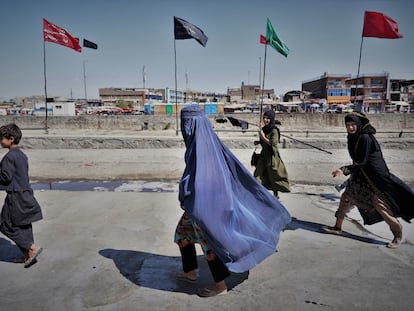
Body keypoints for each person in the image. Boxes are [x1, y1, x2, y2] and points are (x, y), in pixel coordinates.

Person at [175, 106, 291, 297]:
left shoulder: (202, 148)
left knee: (211, 243)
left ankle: (220, 285)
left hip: (206, 207)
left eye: (186, 123)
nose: (184, 128)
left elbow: (203, 181)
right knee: (182, 236)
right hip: (198, 205)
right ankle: (190, 272)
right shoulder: (202, 144)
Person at [322, 113, 414, 248]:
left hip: (375, 177)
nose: (351, 127)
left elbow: (363, 161)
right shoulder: (352, 137)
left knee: (380, 206)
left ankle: (397, 233)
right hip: (360, 174)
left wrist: (344, 169)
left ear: (359, 124)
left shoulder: (365, 137)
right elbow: (358, 162)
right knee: (346, 197)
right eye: (348, 125)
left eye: (353, 124)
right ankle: (337, 227)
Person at [0, 123, 43, 267]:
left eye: (1, 139)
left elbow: (5, 177)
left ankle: (32, 248)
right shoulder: (21, 155)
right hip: (26, 194)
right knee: (24, 225)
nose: (0, 141)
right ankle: (26, 255)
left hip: (15, 196)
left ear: (11, 139)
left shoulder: (9, 157)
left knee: (5, 225)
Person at [254, 109, 290, 198]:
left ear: (272, 119)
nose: (265, 120)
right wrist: (258, 141)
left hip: (272, 157)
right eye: (264, 118)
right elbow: (264, 142)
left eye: (268, 118)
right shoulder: (264, 129)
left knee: (273, 176)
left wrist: (262, 136)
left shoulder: (274, 131)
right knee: (257, 175)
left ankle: (275, 194)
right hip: (263, 156)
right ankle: (257, 195)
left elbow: (273, 143)